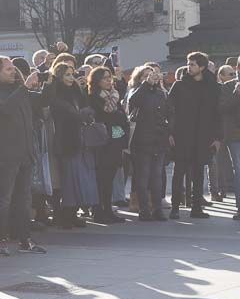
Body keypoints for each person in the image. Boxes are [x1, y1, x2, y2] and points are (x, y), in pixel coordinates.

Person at [0, 57, 47, 255]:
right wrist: (24, 88)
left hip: (25, 154)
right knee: (4, 200)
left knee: (24, 200)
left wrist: (50, 81)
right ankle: (0, 240)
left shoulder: (20, 91)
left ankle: (25, 241)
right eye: (9, 69)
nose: (13, 72)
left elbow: (43, 101)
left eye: (13, 69)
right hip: (7, 156)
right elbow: (3, 110)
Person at [168, 52, 222, 219]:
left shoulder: (212, 86)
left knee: (198, 173)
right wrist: (170, 132)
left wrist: (217, 138)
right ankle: (175, 207)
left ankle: (196, 207)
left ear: (202, 67)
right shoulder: (179, 85)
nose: (188, 67)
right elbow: (169, 109)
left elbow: (217, 113)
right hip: (182, 135)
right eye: (188, 63)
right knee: (179, 172)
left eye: (192, 64)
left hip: (203, 136)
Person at [44, 63, 97, 228]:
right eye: (67, 74)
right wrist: (82, 114)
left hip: (77, 139)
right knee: (65, 180)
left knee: (75, 179)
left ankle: (72, 214)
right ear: (59, 76)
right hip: (63, 139)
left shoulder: (76, 91)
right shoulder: (56, 93)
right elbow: (70, 113)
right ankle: (62, 215)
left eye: (72, 74)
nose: (70, 78)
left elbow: (86, 108)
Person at [126, 65, 170, 221]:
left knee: (156, 176)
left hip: (158, 140)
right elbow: (133, 101)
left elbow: (168, 112)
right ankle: (144, 209)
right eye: (146, 75)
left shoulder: (160, 93)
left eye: (152, 75)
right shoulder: (136, 91)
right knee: (143, 176)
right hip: (142, 140)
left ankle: (157, 208)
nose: (151, 77)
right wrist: (146, 84)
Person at [87, 66, 129, 223]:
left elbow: (122, 118)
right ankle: (98, 210)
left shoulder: (114, 95)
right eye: (105, 78)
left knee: (110, 177)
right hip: (102, 141)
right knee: (101, 178)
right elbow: (105, 117)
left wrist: (116, 115)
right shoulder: (93, 97)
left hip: (115, 140)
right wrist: (115, 116)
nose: (109, 80)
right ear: (97, 80)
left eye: (109, 77)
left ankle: (108, 209)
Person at [220, 67, 240, 220]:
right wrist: (236, 94)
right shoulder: (228, 87)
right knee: (239, 170)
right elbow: (222, 108)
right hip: (235, 136)